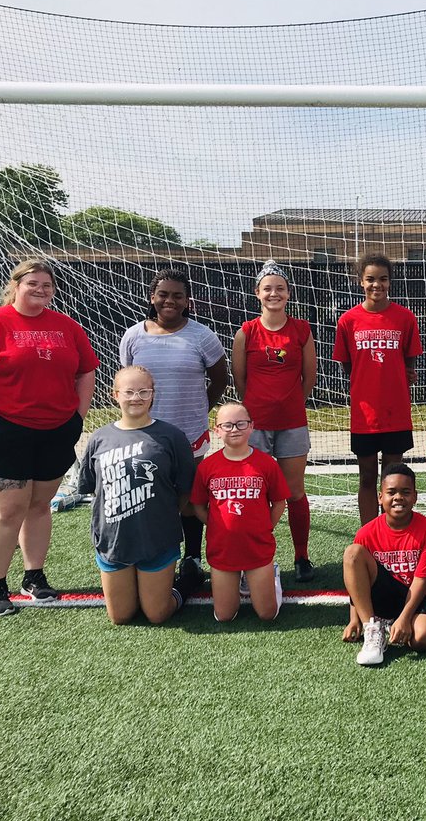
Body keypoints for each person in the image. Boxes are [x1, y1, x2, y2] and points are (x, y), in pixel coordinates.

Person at [0, 259, 98, 617]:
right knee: (6, 510)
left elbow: (86, 371)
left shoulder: (66, 327)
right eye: (33, 283)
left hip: (55, 432)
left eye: (47, 285)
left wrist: (77, 417)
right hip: (5, 432)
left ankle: (33, 577)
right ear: (15, 285)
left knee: (38, 506)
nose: (41, 290)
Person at [120, 267, 229, 586]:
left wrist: (200, 408)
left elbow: (220, 378)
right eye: (163, 294)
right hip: (145, 435)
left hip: (189, 433)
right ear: (152, 297)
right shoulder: (134, 335)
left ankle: (192, 558)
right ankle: (153, 556)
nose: (170, 300)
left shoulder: (201, 335)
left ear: (187, 301)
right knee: (149, 496)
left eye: (177, 295)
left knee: (190, 498)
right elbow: (130, 382)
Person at [77, 366, 197, 624]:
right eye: (129, 391)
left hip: (156, 538)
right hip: (114, 540)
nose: (136, 398)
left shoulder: (172, 436)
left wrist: (163, 514)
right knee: (120, 617)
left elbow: (185, 488)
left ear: (153, 395)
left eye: (144, 391)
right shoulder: (99, 438)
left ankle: (188, 580)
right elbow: (92, 488)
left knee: (157, 614)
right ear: (115, 394)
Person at [232, 260, 317, 581]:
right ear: (257, 293)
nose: (274, 293)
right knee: (255, 491)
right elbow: (240, 380)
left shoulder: (301, 330)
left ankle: (302, 557)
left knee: (294, 491)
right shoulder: (247, 332)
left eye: (280, 288)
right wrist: (259, 407)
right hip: (255, 426)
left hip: (293, 422)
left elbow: (309, 377)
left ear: (289, 293)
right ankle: (255, 555)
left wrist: (290, 402)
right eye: (267, 288)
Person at [333, 254, 423, 525]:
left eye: (383, 279)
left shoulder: (405, 318)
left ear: (390, 282)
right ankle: (369, 535)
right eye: (370, 279)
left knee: (393, 477)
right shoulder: (348, 321)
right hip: (364, 414)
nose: (377, 285)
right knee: (367, 476)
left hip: (395, 411)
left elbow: (409, 363)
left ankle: (391, 534)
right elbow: (349, 366)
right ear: (361, 282)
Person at [190, 403, 290, 623]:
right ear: (217, 430)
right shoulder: (207, 467)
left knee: (267, 614)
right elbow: (198, 505)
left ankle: (271, 575)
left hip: (257, 547)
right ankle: (239, 581)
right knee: (224, 616)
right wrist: (216, 525)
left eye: (240, 424)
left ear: (251, 427)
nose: (234, 429)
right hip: (223, 549)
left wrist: (265, 526)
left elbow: (279, 502)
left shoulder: (265, 464)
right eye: (227, 425)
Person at [342, 464, 426, 666]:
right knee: (352, 553)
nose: (398, 497)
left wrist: (405, 618)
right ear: (380, 497)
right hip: (381, 595)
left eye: (405, 492)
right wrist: (354, 619)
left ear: (415, 496)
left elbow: (421, 581)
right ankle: (373, 630)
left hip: (413, 596)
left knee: (423, 638)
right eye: (391, 492)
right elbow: (356, 577)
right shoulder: (367, 532)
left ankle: (390, 624)